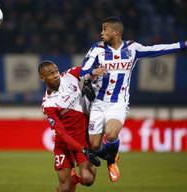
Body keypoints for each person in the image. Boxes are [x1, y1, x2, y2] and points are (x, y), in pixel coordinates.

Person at [80, 16, 187, 183]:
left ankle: (111, 160)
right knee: (94, 145)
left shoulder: (132, 48)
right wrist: (93, 73)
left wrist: (183, 44)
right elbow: (82, 71)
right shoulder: (97, 49)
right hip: (98, 103)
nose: (101, 33)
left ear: (116, 32)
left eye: (105, 30)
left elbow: (156, 49)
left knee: (111, 132)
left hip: (118, 103)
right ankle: (111, 157)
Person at [39, 60, 100, 192]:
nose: (56, 75)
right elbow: (62, 134)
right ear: (42, 78)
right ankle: (69, 182)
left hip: (82, 137)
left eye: (56, 71)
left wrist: (91, 79)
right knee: (65, 189)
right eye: (50, 73)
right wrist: (83, 150)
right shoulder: (48, 104)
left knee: (87, 179)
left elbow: (89, 71)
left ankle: (75, 179)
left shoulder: (70, 75)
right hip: (64, 142)